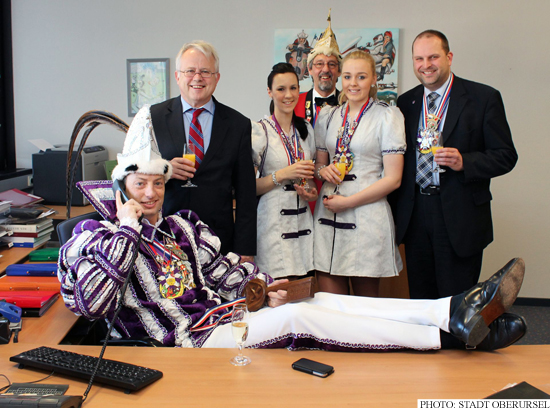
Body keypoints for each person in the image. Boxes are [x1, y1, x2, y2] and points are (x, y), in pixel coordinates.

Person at [58, 106, 526, 351]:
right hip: (185, 343)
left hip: (225, 320)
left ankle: (453, 311)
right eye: (141, 184)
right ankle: (447, 333)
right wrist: (125, 230)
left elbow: (223, 274)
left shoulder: (180, 227)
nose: (152, 193)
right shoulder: (90, 239)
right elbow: (94, 304)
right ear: (122, 186)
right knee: (304, 319)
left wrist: (262, 286)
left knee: (320, 299)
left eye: (158, 183)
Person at [389, 30, 518, 299]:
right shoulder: (406, 103)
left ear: (449, 57)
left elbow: (506, 155)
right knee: (422, 300)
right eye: (419, 58)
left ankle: (459, 344)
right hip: (415, 215)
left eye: (433, 57)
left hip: (460, 215)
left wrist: (465, 162)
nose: (426, 65)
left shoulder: (483, 98)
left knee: (456, 301)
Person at [150, 40, 256, 261]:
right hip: (164, 239)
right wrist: (164, 169)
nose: (197, 78)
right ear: (178, 76)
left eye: (205, 71)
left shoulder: (238, 124)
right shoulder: (153, 117)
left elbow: (246, 195)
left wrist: (245, 251)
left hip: (218, 243)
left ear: (217, 78)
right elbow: (133, 175)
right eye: (190, 71)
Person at [313, 50, 405, 297]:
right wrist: (324, 170)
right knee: (331, 308)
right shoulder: (327, 115)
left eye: (361, 77)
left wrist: (348, 203)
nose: (353, 84)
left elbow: (393, 179)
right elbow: (318, 165)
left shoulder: (388, 116)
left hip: (366, 217)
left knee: (365, 311)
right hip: (329, 215)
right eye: (348, 76)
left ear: (374, 79)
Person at [251, 63, 318, 279]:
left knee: (305, 294)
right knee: (277, 297)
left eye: (293, 88)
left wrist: (311, 191)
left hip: (302, 223)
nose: (288, 95)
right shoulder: (259, 131)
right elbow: (246, 188)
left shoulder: (306, 129)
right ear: (269, 92)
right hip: (272, 225)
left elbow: (310, 178)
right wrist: (282, 174)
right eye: (280, 89)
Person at [294, 10, 341, 127]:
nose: (325, 69)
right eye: (319, 64)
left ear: (339, 71)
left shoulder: (349, 104)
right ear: (309, 69)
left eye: (331, 64)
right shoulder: (294, 103)